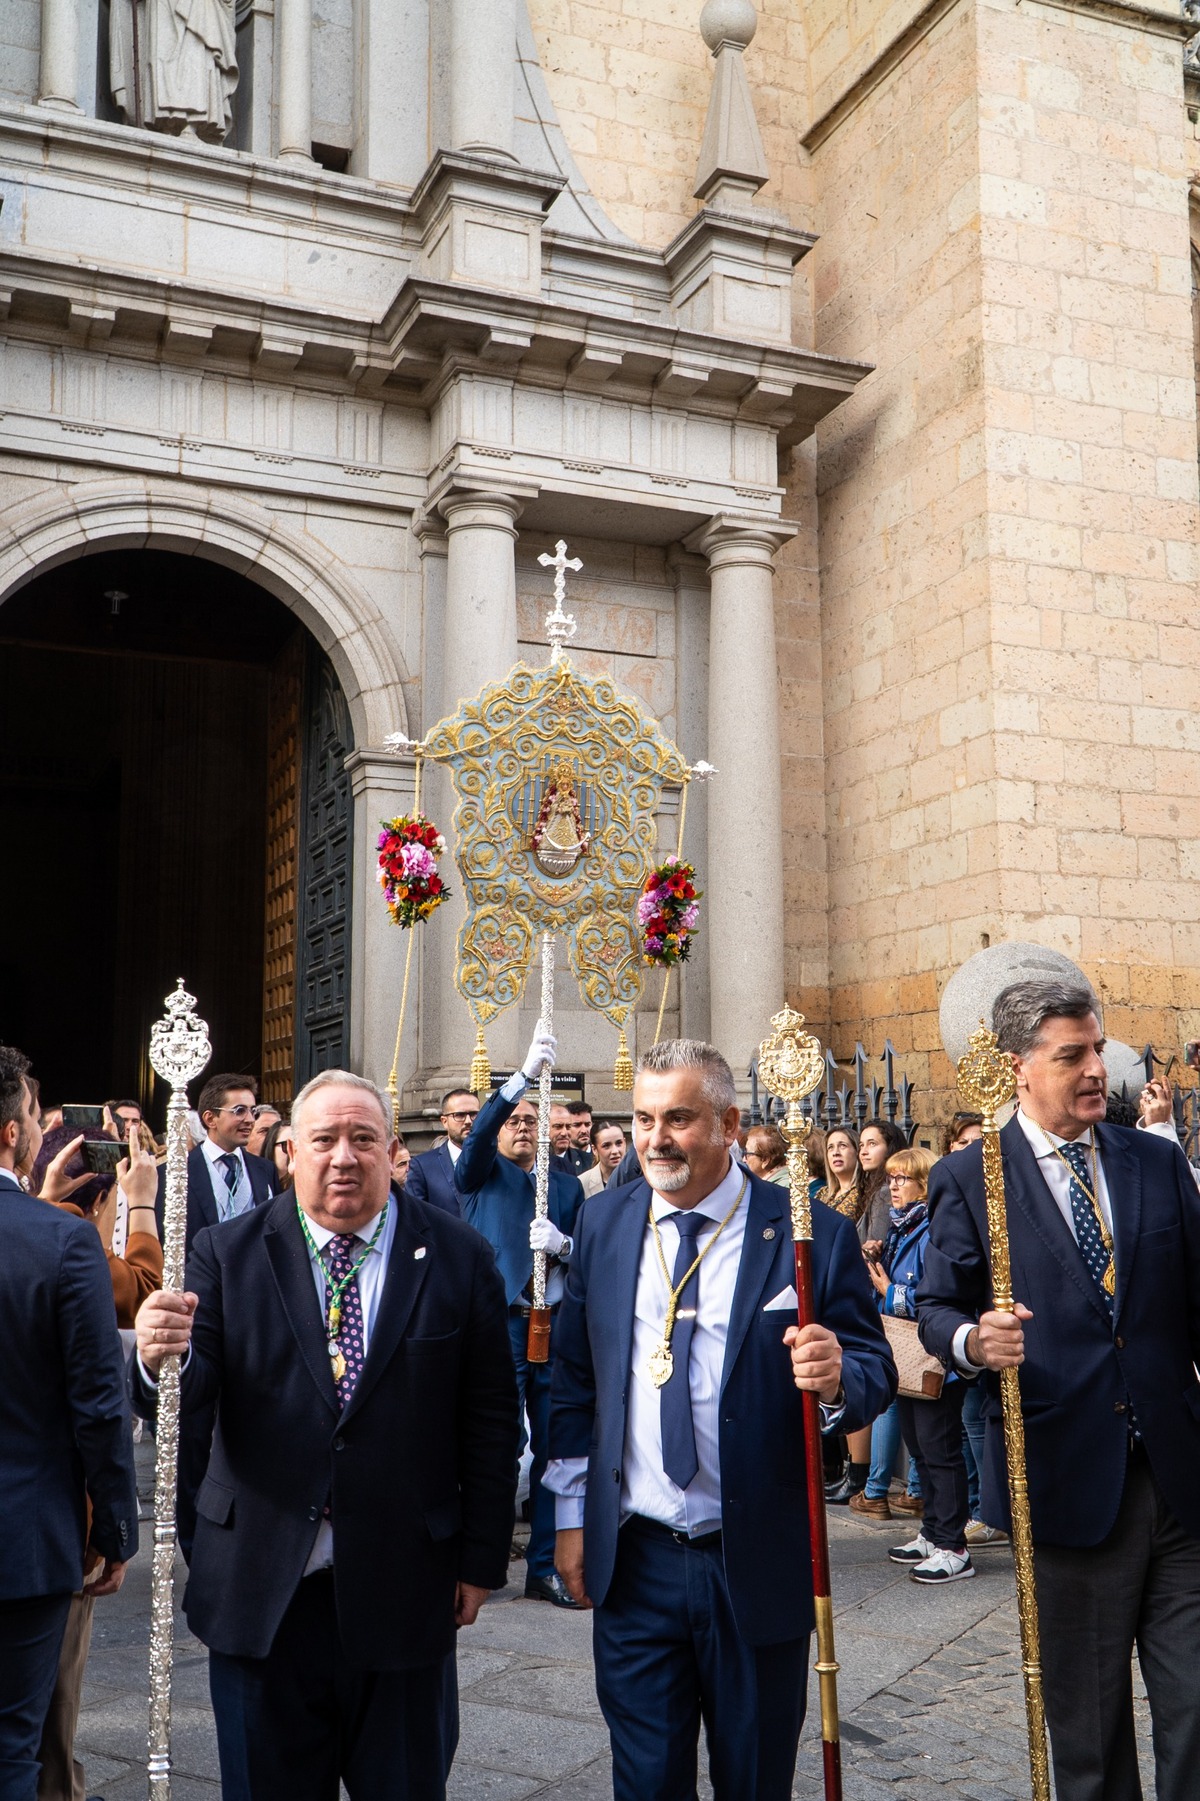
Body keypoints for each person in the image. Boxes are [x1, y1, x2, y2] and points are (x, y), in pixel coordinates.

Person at [132, 1068, 519, 1801]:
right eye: (325, 1139)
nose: (344, 1155)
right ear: (290, 1152)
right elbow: (194, 1397)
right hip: (262, 1591)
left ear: (390, 1147)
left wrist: (481, 1557)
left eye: (363, 1138)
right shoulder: (227, 1252)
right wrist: (158, 1362)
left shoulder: (459, 1254)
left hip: (405, 1587)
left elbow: (490, 1418)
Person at [546, 1040, 894, 1801]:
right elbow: (574, 1377)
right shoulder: (605, 1223)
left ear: (731, 1123)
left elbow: (874, 1370)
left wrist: (837, 1376)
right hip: (635, 1559)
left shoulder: (805, 1231)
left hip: (755, 1559)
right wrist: (571, 1514)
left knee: (756, 1775)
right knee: (645, 1780)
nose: (655, 1138)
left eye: (679, 1117)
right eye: (642, 1118)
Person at [918, 980, 1200, 1801]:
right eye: (1070, 1055)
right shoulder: (974, 1178)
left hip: (1179, 1480)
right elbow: (936, 1304)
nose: (1093, 1070)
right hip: (1066, 1483)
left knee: (1195, 1707)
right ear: (1019, 1068)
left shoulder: (1153, 1158)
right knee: (1090, 1730)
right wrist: (975, 1340)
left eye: (1098, 1050)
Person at [0, 1046, 138, 1801]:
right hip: (22, 1539)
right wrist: (113, 1528)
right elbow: (97, 1402)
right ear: (13, 1135)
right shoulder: (60, 1239)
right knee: (12, 1746)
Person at [30, 1123, 162, 1801]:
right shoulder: (69, 1240)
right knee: (50, 1688)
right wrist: (141, 1204)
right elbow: (142, 1293)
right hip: (46, 1517)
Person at [455, 1033, 584, 1608]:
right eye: (516, 1120)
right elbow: (479, 1135)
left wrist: (564, 1246)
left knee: (557, 1448)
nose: (524, 1128)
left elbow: (589, 1251)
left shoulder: (565, 1185)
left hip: (552, 1320)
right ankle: (482, 1559)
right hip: (503, 1319)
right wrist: (518, 1082)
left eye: (534, 1120)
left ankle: (547, 1566)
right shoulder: (483, 1172)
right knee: (497, 1445)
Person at [158, 1072, 277, 1563]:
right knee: (193, 1432)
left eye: (253, 1110)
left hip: (255, 1312)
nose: (250, 1119)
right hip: (200, 1313)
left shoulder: (264, 1173)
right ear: (209, 1119)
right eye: (240, 1111)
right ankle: (192, 1542)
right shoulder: (178, 1173)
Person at [860, 1149, 972, 1580]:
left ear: (924, 1184)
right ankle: (931, 1531)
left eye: (902, 1178)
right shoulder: (899, 1228)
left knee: (941, 1451)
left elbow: (935, 1297)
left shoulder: (933, 1230)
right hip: (905, 1359)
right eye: (890, 1178)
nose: (893, 1185)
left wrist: (889, 1289)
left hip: (933, 1358)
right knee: (920, 1447)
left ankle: (952, 1545)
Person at [405, 1089, 479, 1216]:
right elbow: (415, 1220)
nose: (468, 1121)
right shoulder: (423, 1167)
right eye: (459, 1115)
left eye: (474, 1114)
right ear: (444, 1121)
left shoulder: (497, 1162)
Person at [858, 1119, 909, 1242]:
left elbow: (876, 1244)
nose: (864, 1152)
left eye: (872, 1144)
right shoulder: (872, 1188)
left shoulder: (886, 1192)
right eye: (861, 1145)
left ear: (890, 1148)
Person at [579, 1121, 626, 1198]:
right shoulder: (582, 1183)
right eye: (606, 1146)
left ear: (625, 1142)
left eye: (619, 1143)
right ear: (594, 1149)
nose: (615, 1151)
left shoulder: (639, 1177)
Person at [261, 1118, 294, 1194]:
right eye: (286, 1145)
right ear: (270, 1148)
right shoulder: (256, 1188)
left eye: (297, 1145)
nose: (293, 1151)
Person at [563, 1102, 594, 1175]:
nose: (584, 1130)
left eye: (587, 1124)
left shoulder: (600, 1155)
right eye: (577, 1125)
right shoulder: (559, 1158)